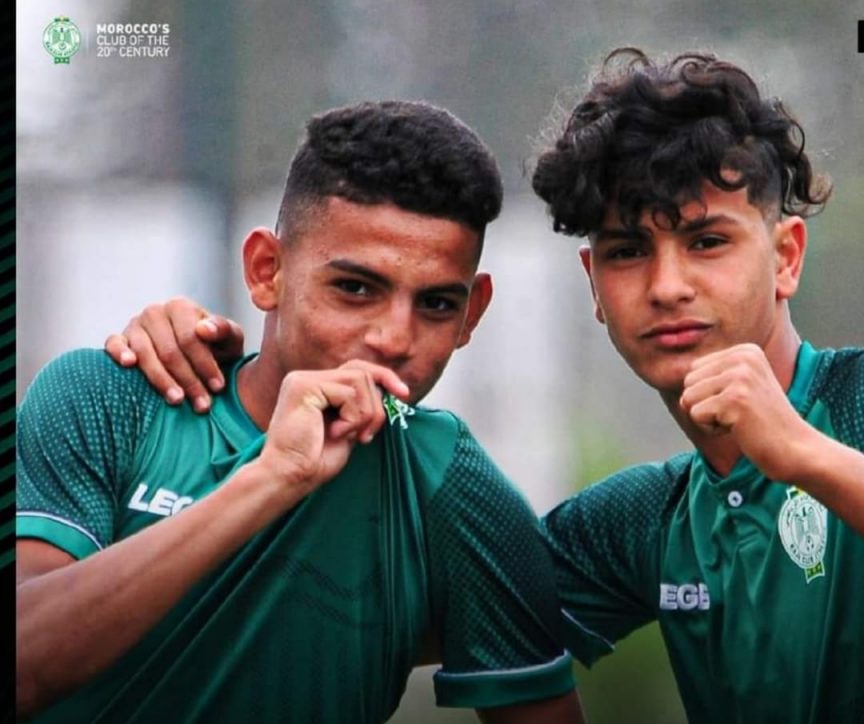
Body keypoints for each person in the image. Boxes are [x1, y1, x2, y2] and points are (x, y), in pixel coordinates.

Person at [103, 49, 864, 723]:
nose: (666, 285)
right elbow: (377, 623)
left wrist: (807, 457)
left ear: (785, 258)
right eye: (627, 251)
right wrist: (215, 373)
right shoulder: (644, 524)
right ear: (593, 287)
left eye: (706, 241)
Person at [16, 101, 583, 723]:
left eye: (437, 305)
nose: (395, 338)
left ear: (472, 313)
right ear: (268, 271)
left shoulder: (452, 483)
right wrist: (272, 477)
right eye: (355, 288)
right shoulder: (113, 398)